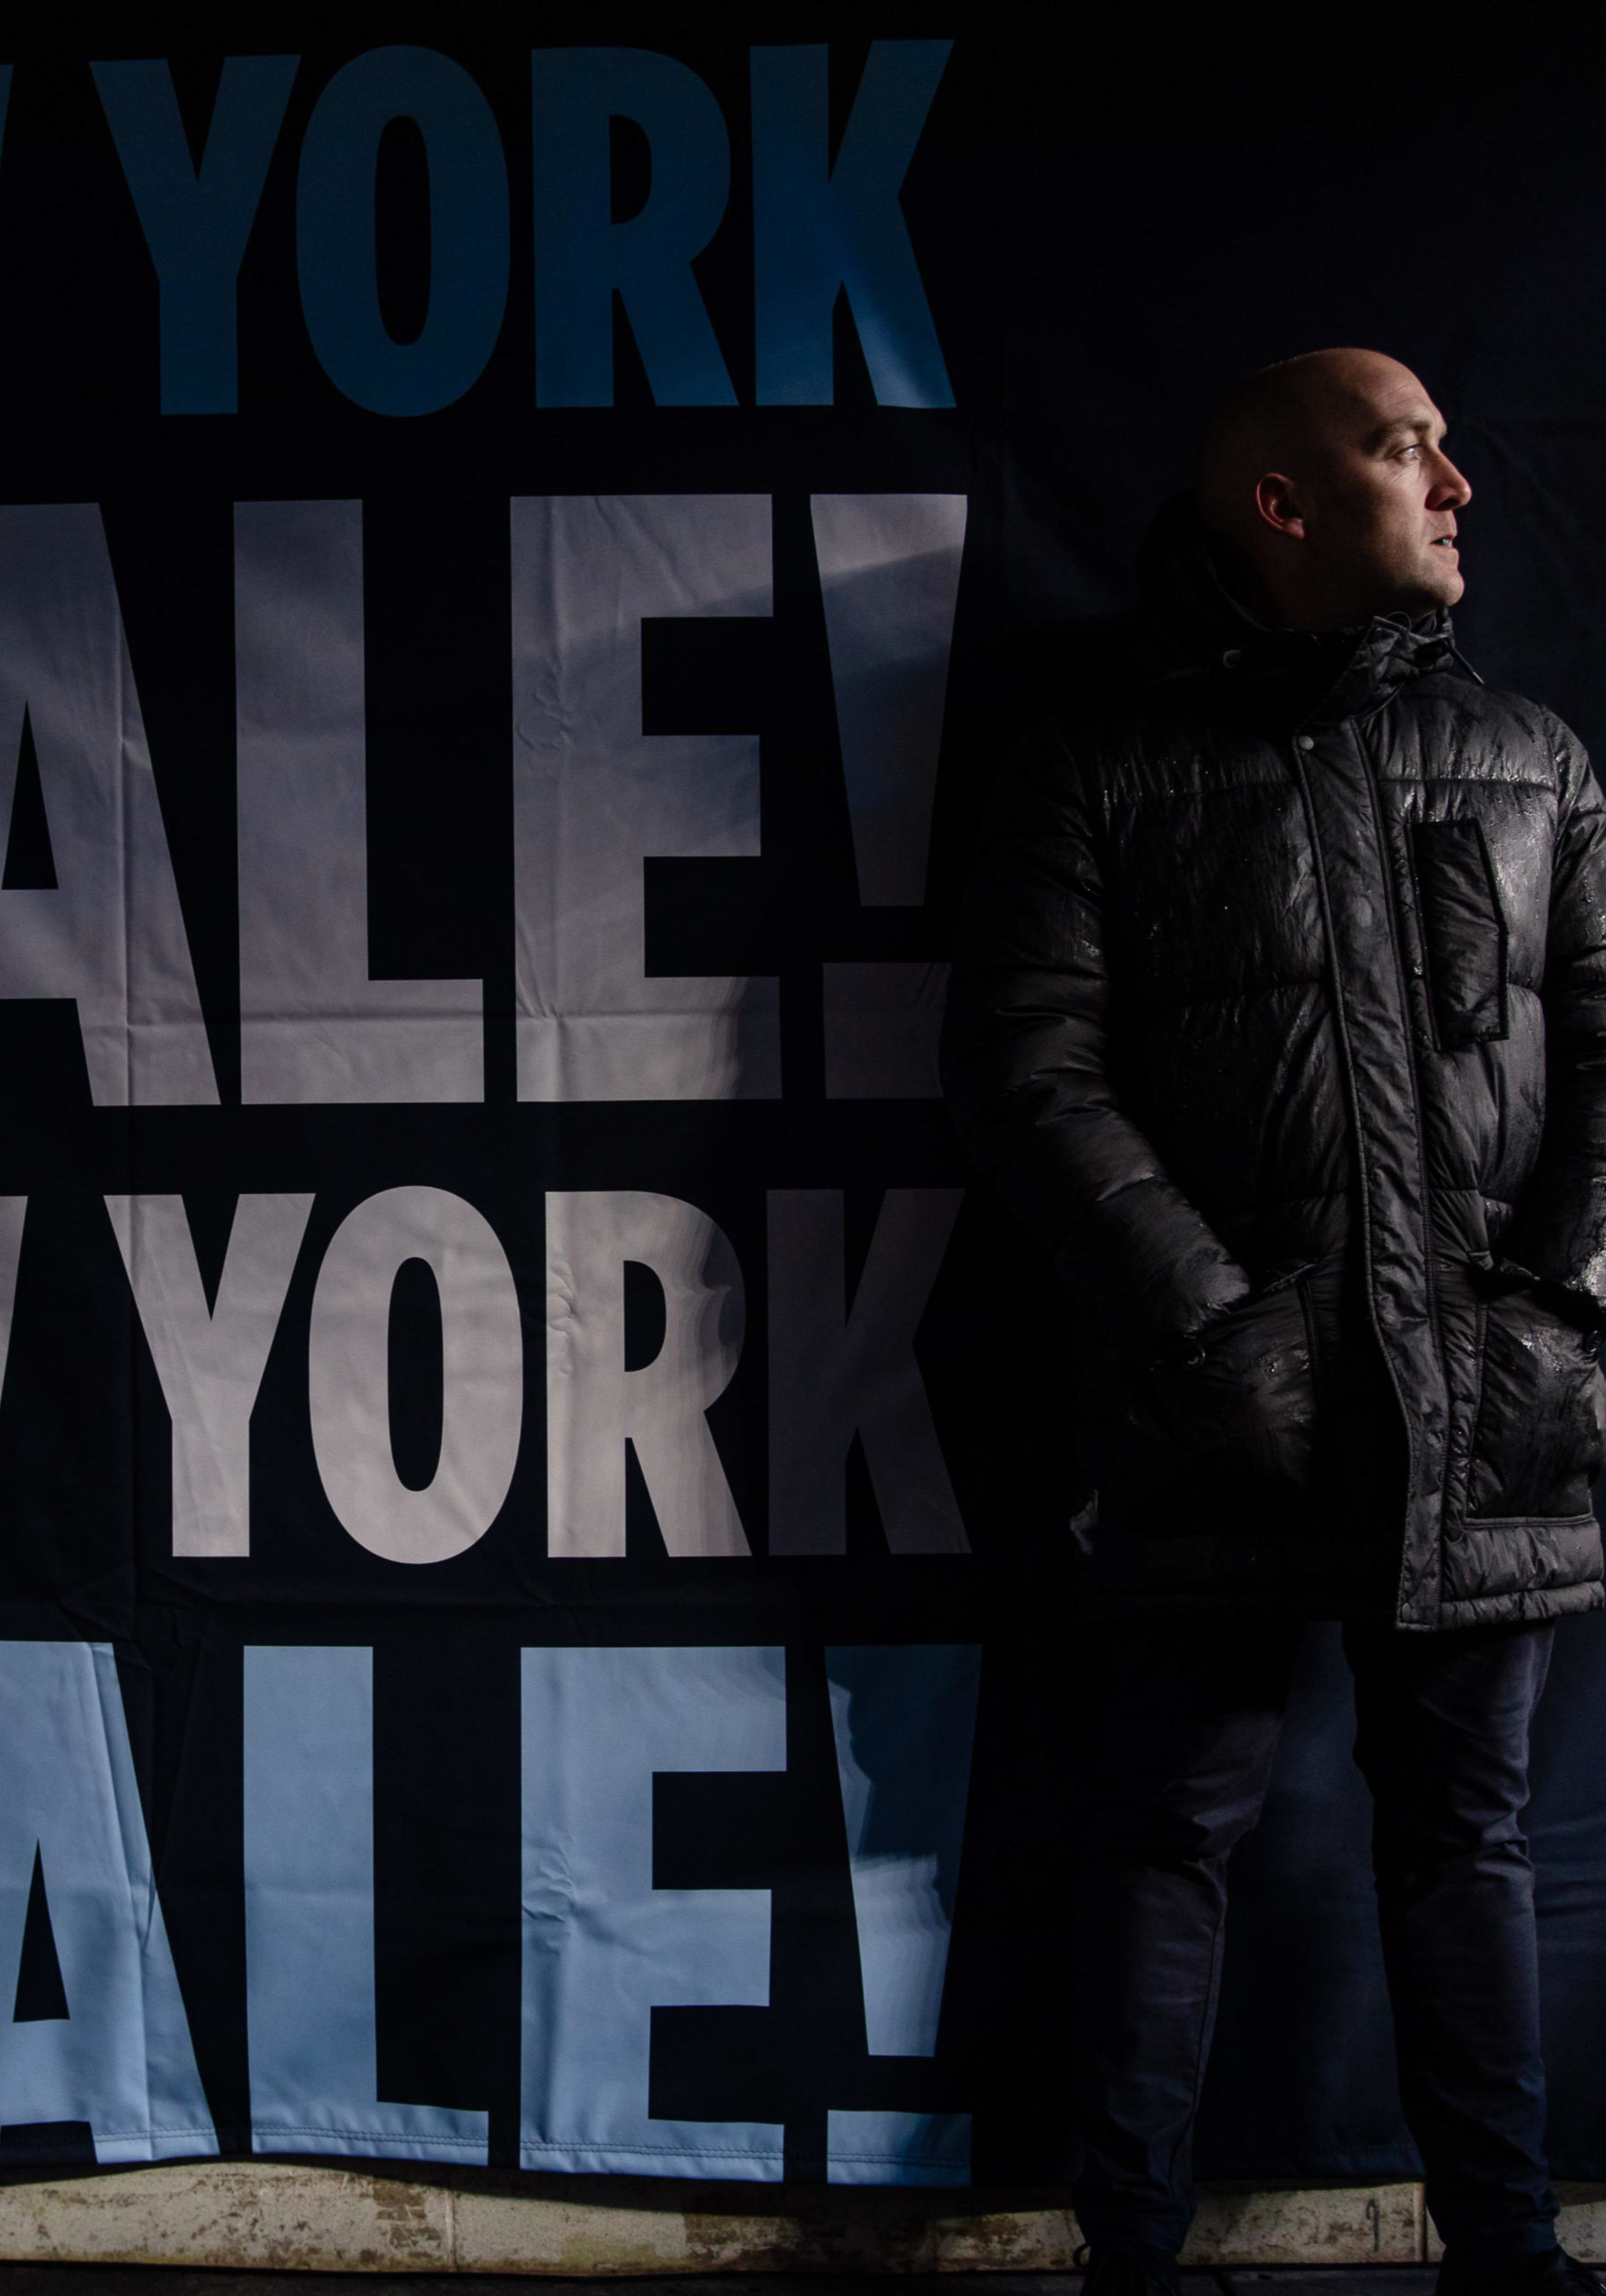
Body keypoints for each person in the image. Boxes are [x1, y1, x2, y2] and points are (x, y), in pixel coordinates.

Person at [941, 348, 1606, 2296]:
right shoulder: (1098, 768)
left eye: (1452, 450)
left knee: (1467, 1835)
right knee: (1167, 1829)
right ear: (1286, 505)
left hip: (1491, 1409)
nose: (1460, 486)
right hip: (1206, 1413)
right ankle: (1130, 2265)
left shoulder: (1539, 763)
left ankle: (1511, 2260)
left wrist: (1554, 1320)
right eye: (1410, 452)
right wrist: (1218, 1338)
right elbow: (1030, 1074)